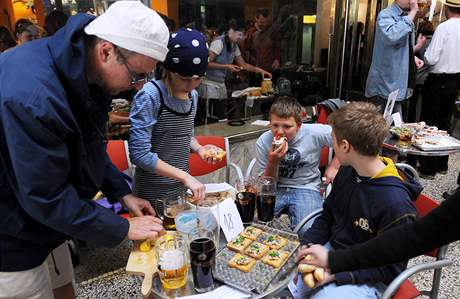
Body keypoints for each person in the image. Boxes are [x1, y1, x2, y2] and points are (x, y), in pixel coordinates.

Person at [0, 2, 169, 298]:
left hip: (50, 223)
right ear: (106, 51)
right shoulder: (34, 96)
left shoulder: (85, 70)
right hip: (12, 233)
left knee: (65, 288)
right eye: (135, 77)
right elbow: (45, 196)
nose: (136, 88)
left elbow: (88, 146)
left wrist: (122, 192)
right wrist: (122, 228)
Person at [294, 102, 420, 298]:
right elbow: (328, 215)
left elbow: (392, 269)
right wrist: (308, 242)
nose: (332, 145)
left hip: (369, 275)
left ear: (344, 146)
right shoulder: (347, 171)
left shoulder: (396, 204)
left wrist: (338, 275)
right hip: (335, 252)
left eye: (333, 140)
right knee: (288, 270)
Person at [129, 28, 220, 209]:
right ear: (169, 69)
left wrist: (199, 149)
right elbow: (139, 154)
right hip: (151, 194)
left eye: (198, 78)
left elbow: (184, 135)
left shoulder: (192, 96)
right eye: (185, 78)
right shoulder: (150, 95)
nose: (192, 85)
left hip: (178, 191)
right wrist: (185, 176)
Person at [298, 188, 460, 275]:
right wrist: (333, 260)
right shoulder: (349, 174)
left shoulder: (395, 201)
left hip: (373, 274)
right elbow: (416, 236)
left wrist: (335, 264)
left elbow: (395, 264)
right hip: (350, 259)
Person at [254, 96, 340, 230]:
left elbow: (347, 139)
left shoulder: (314, 132)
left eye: (287, 126)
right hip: (276, 189)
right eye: (275, 125)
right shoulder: (263, 142)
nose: (279, 131)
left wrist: (334, 166)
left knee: (309, 230)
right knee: (256, 226)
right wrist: (273, 162)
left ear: (299, 125)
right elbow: (266, 187)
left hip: (306, 186)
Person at [417, 0, 460, 178]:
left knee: (431, 123)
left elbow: (432, 58)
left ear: (447, 9)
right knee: (445, 122)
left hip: (438, 80)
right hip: (456, 80)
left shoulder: (444, 27)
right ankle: (442, 164)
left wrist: (422, 53)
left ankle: (428, 168)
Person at [198, 19, 271, 120]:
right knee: (214, 118)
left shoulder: (234, 46)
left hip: (220, 84)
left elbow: (243, 64)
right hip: (209, 85)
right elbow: (205, 63)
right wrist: (227, 66)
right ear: (231, 31)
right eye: (239, 35)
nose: (241, 38)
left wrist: (261, 71)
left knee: (221, 118)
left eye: (243, 36)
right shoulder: (219, 42)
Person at [365, 0, 425, 116]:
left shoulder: (405, 18)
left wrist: (411, 57)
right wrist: (413, 13)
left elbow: (399, 47)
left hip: (397, 86)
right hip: (385, 85)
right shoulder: (386, 14)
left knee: (394, 130)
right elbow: (392, 36)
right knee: (378, 129)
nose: (413, 1)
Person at [245, 7, 281, 85]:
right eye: (260, 22)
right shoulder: (252, 32)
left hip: (270, 69)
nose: (262, 24)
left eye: (264, 22)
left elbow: (277, 47)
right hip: (255, 69)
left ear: (268, 19)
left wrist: (277, 59)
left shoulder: (273, 31)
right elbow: (247, 48)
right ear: (256, 19)